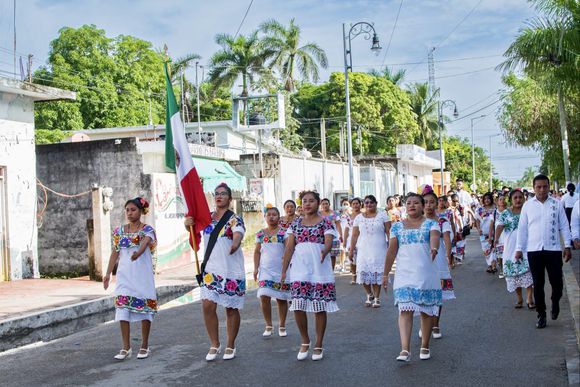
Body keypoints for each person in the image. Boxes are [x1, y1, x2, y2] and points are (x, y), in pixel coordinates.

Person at [184, 183, 245, 361]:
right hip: (211, 270)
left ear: (230, 198)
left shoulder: (235, 219)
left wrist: (235, 243)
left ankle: (230, 344)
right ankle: (214, 344)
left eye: (223, 194)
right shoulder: (206, 219)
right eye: (216, 194)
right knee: (207, 306)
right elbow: (193, 240)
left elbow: (238, 234)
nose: (219, 196)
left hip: (231, 271)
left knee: (231, 309)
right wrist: (188, 226)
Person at [382, 194, 442, 361]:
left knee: (426, 311)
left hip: (425, 273)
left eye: (416, 203)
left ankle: (424, 346)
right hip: (404, 274)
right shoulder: (397, 227)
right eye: (408, 203)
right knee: (404, 309)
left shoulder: (431, 224)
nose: (412, 205)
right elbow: (391, 251)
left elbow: (435, 237)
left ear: (422, 206)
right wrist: (385, 274)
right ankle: (405, 350)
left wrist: (434, 248)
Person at [281, 191, 338, 361]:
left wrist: (325, 251)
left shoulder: (326, 222)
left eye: (311, 201)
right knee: (298, 305)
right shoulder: (296, 224)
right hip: (299, 269)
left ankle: (319, 343)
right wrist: (284, 270)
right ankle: (305, 340)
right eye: (304, 201)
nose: (307, 204)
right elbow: (290, 248)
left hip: (319, 269)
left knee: (319, 307)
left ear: (318, 203)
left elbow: (329, 240)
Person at [103, 197, 157, 360]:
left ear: (141, 211)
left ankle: (144, 345)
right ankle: (126, 347)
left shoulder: (147, 230)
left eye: (133, 210)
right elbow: (115, 252)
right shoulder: (119, 232)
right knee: (122, 309)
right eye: (127, 210)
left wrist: (139, 253)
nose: (130, 213)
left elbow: (145, 242)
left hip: (142, 276)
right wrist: (107, 274)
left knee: (145, 309)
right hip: (124, 276)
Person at [515, 174, 572, 329]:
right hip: (534, 251)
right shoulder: (528, 206)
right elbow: (522, 229)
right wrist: (519, 249)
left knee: (557, 284)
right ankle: (541, 314)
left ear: (548, 187)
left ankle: (555, 301)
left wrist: (567, 245)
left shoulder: (556, 204)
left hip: (553, 250)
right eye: (538, 187)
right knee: (538, 284)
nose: (542, 190)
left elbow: (564, 226)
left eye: (544, 186)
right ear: (534, 188)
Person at [253, 207, 290, 338]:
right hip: (265, 270)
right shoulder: (260, 234)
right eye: (269, 215)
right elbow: (257, 252)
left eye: (274, 215)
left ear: (279, 217)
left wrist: (286, 265)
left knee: (281, 298)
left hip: (280, 270)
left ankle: (282, 325)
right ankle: (268, 325)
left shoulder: (284, 233)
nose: (271, 217)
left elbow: (289, 249)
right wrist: (256, 268)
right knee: (264, 296)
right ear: (265, 217)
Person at [495, 190, 535, 309]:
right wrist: (495, 239)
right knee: (514, 274)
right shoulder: (505, 213)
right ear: (511, 200)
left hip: (527, 246)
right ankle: (519, 299)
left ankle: (529, 298)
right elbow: (500, 226)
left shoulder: (528, 211)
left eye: (520, 197)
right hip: (511, 247)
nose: (518, 200)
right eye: (515, 198)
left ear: (524, 198)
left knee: (528, 272)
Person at [423, 190, 455, 339]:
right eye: (426, 202)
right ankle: (424, 325)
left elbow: (447, 238)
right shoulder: (417, 221)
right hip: (421, 261)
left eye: (432, 202)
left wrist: (448, 255)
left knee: (438, 294)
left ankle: (435, 325)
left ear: (437, 204)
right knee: (423, 294)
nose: (428, 205)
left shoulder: (442, 221)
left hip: (439, 260)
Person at [349, 195, 390, 308]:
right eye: (366, 202)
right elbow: (354, 235)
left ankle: (377, 298)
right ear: (364, 204)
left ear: (376, 203)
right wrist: (351, 250)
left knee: (377, 273)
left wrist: (391, 247)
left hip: (379, 250)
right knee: (362, 272)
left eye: (371, 202)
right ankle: (369, 294)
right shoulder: (359, 218)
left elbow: (389, 232)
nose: (369, 204)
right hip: (363, 249)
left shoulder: (383, 216)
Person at [475, 192, 497, 273]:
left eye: (488, 198)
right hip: (483, 233)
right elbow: (477, 220)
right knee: (486, 250)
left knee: (494, 248)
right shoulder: (480, 209)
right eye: (485, 199)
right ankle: (489, 265)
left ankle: (493, 265)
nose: (487, 200)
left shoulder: (495, 209)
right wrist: (478, 229)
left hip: (494, 232)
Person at [343, 197, 363, 284]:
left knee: (361, 258)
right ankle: (354, 276)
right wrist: (344, 241)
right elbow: (346, 229)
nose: (355, 205)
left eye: (357, 203)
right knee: (352, 258)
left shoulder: (364, 215)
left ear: (360, 204)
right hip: (351, 239)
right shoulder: (349, 217)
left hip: (362, 239)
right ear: (351, 205)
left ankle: (362, 276)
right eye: (353, 204)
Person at [320, 198, 343, 270]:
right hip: (322, 237)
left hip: (334, 237)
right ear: (321, 205)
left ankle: (332, 271)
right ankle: (324, 271)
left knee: (333, 255)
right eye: (323, 204)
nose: (325, 205)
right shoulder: (318, 214)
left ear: (329, 204)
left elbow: (338, 225)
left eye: (326, 203)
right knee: (323, 254)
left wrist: (341, 235)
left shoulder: (334, 214)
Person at [490, 195, 508, 278]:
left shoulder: (509, 211)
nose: (502, 201)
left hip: (508, 237)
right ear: (497, 201)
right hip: (499, 238)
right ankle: (502, 270)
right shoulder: (494, 213)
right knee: (500, 255)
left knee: (508, 254)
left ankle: (508, 269)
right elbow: (491, 226)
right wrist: (491, 237)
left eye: (504, 199)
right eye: (501, 199)